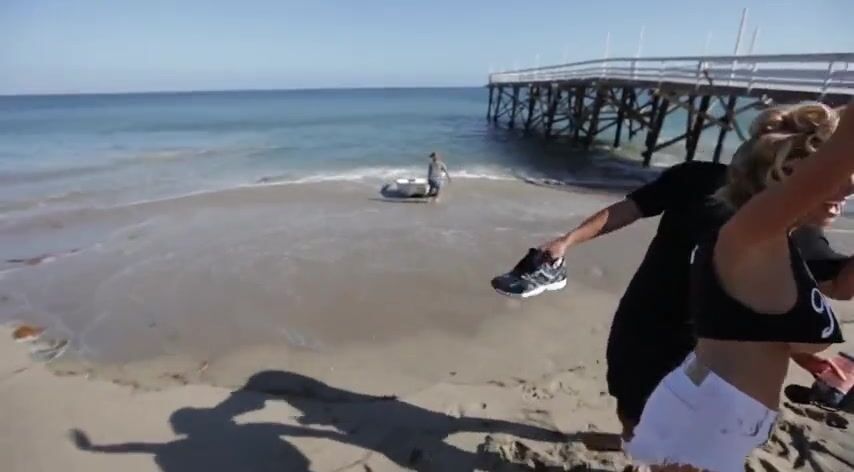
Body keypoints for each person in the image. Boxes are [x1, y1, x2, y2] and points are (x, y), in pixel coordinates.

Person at [510, 144, 853, 440]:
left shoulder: (796, 228)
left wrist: (800, 353)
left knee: (690, 419)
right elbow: (631, 207)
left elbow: (838, 285)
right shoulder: (697, 179)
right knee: (629, 403)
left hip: (713, 344)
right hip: (645, 316)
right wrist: (567, 241)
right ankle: (634, 440)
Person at [626, 102, 854, 471]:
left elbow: (762, 328)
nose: (851, 185)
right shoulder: (746, 234)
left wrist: (802, 355)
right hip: (705, 416)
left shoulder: (782, 244)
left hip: (721, 414)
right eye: (838, 174)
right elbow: (842, 149)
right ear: (786, 174)